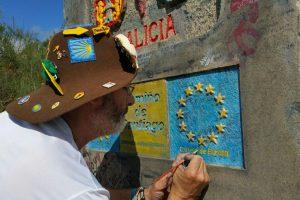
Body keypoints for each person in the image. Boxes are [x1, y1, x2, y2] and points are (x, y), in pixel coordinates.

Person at [0, 26, 209, 200]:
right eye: (126, 88)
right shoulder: (72, 189)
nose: (131, 100)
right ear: (96, 97)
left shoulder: (11, 125)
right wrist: (182, 195)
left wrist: (143, 195)